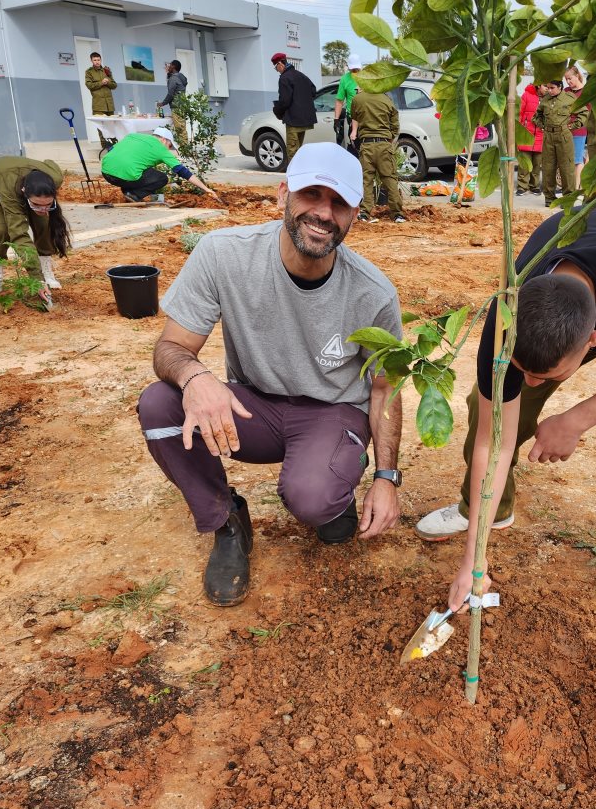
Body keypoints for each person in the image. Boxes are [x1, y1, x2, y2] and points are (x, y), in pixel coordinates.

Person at [415, 205, 596, 637]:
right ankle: (487, 512)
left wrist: (576, 419)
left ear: (595, 340)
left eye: (547, 375)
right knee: (491, 408)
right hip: (568, 315)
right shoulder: (508, 312)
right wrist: (473, 560)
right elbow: (492, 442)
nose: (533, 381)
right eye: (525, 367)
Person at [137, 143, 405, 607]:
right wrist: (197, 377)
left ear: (355, 215)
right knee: (160, 403)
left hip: (330, 412)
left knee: (312, 496)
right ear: (283, 193)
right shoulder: (223, 255)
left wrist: (386, 478)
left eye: (338, 202)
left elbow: (385, 388)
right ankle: (227, 523)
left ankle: (331, 497)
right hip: (253, 405)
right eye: (310, 194)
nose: (323, 213)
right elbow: (172, 348)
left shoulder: (373, 293)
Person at [0, 156, 71, 308]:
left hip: (24, 178)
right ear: (24, 192)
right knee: (1, 229)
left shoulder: (54, 178)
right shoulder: (9, 190)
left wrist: (40, 208)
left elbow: (49, 162)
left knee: (43, 222)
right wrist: (36, 279)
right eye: (37, 204)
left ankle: (46, 270)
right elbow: (19, 234)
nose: (44, 209)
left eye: (48, 204)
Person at [101, 127, 218, 202]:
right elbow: (184, 172)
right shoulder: (161, 149)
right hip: (126, 177)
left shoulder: (133, 136)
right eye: (170, 145)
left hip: (106, 172)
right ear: (164, 140)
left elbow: (111, 149)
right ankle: (133, 194)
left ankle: (128, 192)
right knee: (161, 178)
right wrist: (206, 189)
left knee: (140, 170)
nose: (169, 149)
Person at [349, 78, 406, 224]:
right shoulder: (387, 100)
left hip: (366, 145)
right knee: (389, 179)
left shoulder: (357, 99)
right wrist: (389, 138)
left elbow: (354, 117)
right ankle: (397, 214)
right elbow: (395, 125)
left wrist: (355, 133)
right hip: (383, 145)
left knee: (366, 180)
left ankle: (364, 213)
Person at [533, 79, 583, 206]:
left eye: (552, 88)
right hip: (548, 136)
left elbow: (583, 112)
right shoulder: (545, 99)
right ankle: (549, 198)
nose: (549, 90)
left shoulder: (569, 98)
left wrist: (572, 126)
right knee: (548, 167)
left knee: (567, 168)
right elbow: (537, 115)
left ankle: (568, 200)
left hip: (563, 136)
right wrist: (542, 125)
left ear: (560, 87)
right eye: (548, 87)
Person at [271, 52, 316, 166]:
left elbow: (285, 101)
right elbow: (313, 91)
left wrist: (277, 110)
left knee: (292, 151)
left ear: (280, 63)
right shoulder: (301, 75)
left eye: (276, 67)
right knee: (298, 150)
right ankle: (300, 176)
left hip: (293, 120)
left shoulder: (284, 78)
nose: (277, 70)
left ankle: (292, 179)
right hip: (305, 119)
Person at [564, 66, 591, 189]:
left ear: (577, 76)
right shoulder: (566, 91)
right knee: (567, 160)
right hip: (565, 129)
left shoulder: (586, 92)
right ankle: (571, 187)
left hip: (579, 130)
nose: (568, 81)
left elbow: (588, 112)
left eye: (570, 78)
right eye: (566, 79)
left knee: (577, 160)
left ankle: (576, 188)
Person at [515, 82, 543, 196]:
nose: (547, 89)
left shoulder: (548, 98)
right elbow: (519, 114)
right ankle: (522, 186)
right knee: (524, 164)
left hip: (541, 135)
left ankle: (535, 186)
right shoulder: (526, 95)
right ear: (539, 85)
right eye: (545, 86)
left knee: (537, 164)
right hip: (526, 134)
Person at [159, 59, 189, 144]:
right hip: (182, 106)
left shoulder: (173, 78)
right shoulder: (181, 77)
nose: (169, 66)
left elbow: (171, 94)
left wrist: (162, 103)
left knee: (180, 130)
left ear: (174, 67)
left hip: (176, 107)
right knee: (182, 129)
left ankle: (184, 151)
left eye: (170, 65)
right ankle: (185, 149)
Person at [334, 60, 361, 150]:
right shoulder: (345, 79)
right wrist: (336, 119)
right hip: (352, 118)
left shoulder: (367, 77)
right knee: (353, 147)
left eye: (356, 68)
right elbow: (339, 101)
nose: (354, 70)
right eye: (352, 69)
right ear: (349, 67)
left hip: (366, 118)